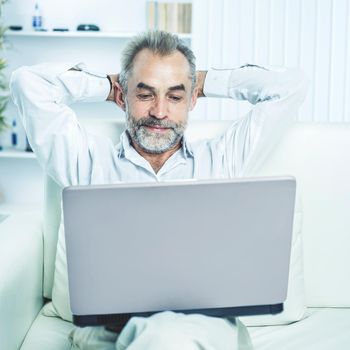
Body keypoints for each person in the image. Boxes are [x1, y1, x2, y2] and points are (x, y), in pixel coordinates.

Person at [10, 30, 307, 350]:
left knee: (168, 337)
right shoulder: (88, 163)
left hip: (202, 328)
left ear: (193, 100)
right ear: (123, 98)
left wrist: (199, 81)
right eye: (145, 94)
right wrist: (108, 85)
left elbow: (290, 86)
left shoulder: (222, 159)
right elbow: (28, 83)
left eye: (176, 96)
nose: (160, 112)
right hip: (111, 331)